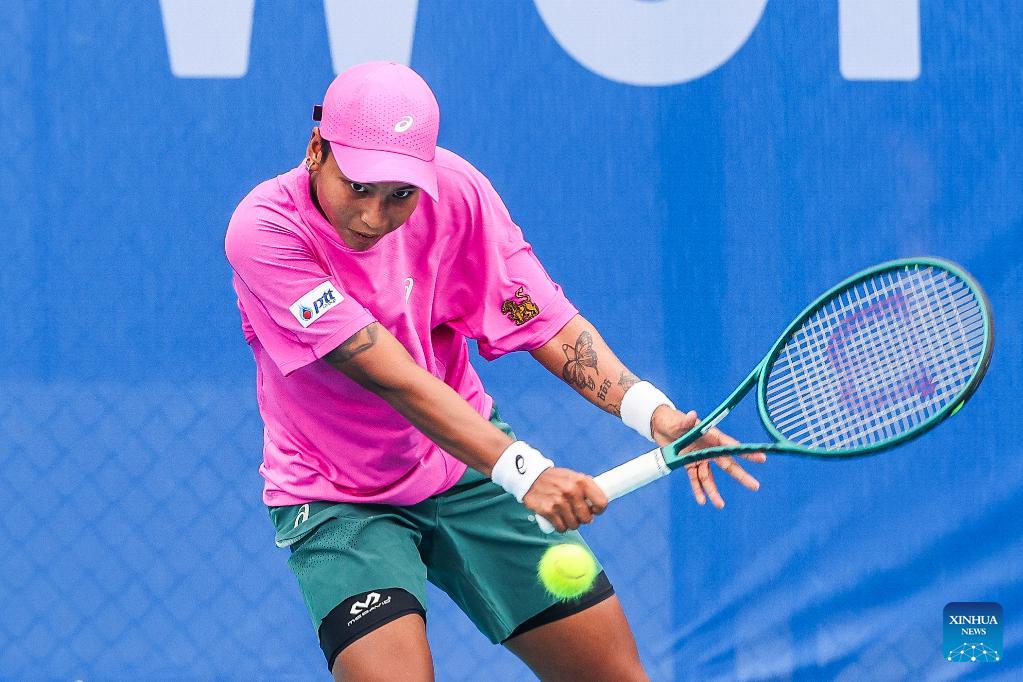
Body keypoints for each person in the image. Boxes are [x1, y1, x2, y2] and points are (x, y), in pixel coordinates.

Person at [225, 61, 765, 681]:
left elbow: (544, 321)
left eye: (401, 194)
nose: (375, 216)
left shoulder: (457, 196)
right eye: (359, 187)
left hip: (465, 468)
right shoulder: (265, 231)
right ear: (317, 149)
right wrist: (525, 472)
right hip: (339, 497)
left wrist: (655, 415)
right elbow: (392, 375)